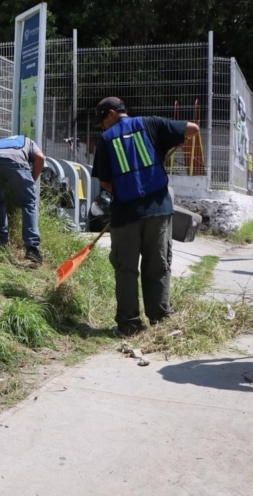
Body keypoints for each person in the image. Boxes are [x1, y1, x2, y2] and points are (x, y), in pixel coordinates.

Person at [91, 97, 200, 336]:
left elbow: (106, 182)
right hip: (158, 211)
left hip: (126, 215)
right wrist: (174, 140)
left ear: (111, 114)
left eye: (102, 121)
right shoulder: (152, 124)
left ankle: (129, 325)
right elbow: (193, 128)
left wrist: (128, 188)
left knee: (126, 270)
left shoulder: (107, 139)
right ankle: (161, 321)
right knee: (158, 266)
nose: (103, 127)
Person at [0, 134, 46, 265]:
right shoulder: (28, 141)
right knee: (29, 203)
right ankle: (32, 249)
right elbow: (40, 157)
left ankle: (1, 244)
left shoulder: (0, 141)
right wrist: (32, 180)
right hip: (16, 160)